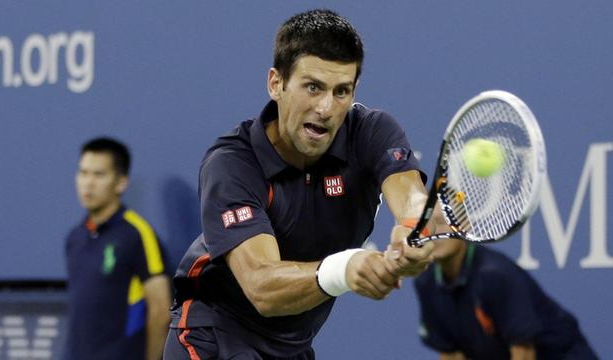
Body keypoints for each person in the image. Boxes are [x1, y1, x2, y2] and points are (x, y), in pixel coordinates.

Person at [163, 9, 441, 359]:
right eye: (313, 87)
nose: (326, 107)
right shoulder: (232, 164)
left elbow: (412, 198)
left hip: (293, 345)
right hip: (214, 336)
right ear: (276, 83)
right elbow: (261, 286)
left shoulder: (371, 132)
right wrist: (344, 268)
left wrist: (416, 230)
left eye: (342, 92)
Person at [65, 137, 172, 360]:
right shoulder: (75, 238)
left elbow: (161, 311)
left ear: (121, 182)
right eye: (83, 173)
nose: (88, 183)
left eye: (99, 174)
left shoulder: (137, 234)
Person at [414, 239, 599, 360]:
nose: (436, 233)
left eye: (442, 222)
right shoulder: (426, 283)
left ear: (463, 225)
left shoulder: (495, 274)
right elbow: (451, 353)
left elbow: (524, 354)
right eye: (429, 223)